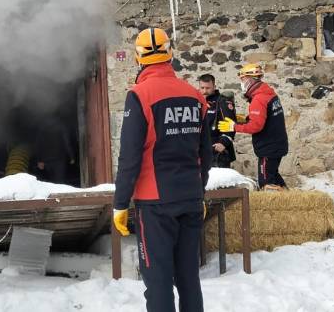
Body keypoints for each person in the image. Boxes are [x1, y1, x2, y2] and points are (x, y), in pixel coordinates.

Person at [113, 27, 212, 312]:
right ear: (170, 53)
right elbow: (205, 153)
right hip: (191, 198)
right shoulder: (195, 95)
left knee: (157, 280)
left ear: (138, 58)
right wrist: (199, 191)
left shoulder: (139, 95)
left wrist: (120, 203)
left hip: (155, 204)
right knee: (188, 278)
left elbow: (130, 157)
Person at [218, 63, 289, 191]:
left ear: (250, 79)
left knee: (266, 183)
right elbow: (266, 117)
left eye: (242, 79)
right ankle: (290, 200)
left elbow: (255, 127)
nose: (241, 82)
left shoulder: (258, 98)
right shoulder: (268, 92)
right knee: (273, 176)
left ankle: (275, 208)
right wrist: (246, 119)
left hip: (269, 148)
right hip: (277, 144)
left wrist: (234, 126)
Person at [198, 74, 237, 168]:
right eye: (202, 87)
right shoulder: (197, 101)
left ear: (214, 87)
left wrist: (223, 143)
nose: (204, 91)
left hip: (218, 153)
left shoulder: (222, 102)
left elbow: (230, 125)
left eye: (208, 88)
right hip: (202, 151)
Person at [33, 118, 75, 185]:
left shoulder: (42, 128)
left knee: (49, 181)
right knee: (59, 181)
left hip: (46, 160)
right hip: (59, 159)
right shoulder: (61, 126)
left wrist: (39, 160)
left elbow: (38, 144)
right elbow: (67, 143)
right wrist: (71, 157)